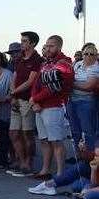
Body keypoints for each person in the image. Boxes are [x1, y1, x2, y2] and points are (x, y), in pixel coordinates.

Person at [30, 35, 73, 180]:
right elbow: (37, 83)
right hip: (40, 107)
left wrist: (35, 99)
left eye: (52, 46)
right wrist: (35, 101)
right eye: (47, 45)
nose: (48, 48)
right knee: (43, 140)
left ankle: (61, 173)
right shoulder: (45, 64)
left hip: (54, 107)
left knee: (56, 141)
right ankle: (45, 169)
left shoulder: (64, 64)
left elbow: (53, 88)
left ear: (59, 47)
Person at [8, 32, 42, 177]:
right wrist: (13, 94)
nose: (22, 43)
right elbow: (14, 76)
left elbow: (30, 81)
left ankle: (28, 162)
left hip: (28, 100)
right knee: (14, 133)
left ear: (32, 43)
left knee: (27, 133)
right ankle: (20, 160)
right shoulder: (20, 58)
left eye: (25, 41)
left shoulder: (37, 59)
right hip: (17, 99)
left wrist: (14, 92)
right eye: (22, 41)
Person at [68, 42, 99, 150]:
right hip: (72, 101)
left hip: (86, 102)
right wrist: (73, 83)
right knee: (75, 130)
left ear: (96, 56)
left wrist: (71, 84)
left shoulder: (96, 68)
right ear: (83, 54)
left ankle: (90, 159)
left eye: (92, 54)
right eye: (86, 54)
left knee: (88, 131)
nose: (89, 56)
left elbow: (88, 86)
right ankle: (78, 156)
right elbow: (70, 77)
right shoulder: (77, 64)